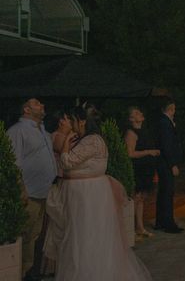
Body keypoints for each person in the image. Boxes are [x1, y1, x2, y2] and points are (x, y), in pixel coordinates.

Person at [44, 107, 152, 281]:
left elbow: (67, 161)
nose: (70, 124)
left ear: (82, 121)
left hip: (89, 194)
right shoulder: (85, 139)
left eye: (72, 120)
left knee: (88, 234)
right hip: (82, 193)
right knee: (79, 235)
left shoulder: (93, 141)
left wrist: (65, 145)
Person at [7, 98, 57, 279]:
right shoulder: (18, 131)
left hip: (44, 192)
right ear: (26, 109)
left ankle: (31, 270)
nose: (42, 105)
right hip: (29, 193)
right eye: (36, 103)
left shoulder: (42, 130)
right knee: (25, 234)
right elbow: (13, 162)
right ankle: (21, 272)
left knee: (35, 235)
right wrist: (21, 190)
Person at [124, 106, 160, 237]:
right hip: (137, 169)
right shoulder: (131, 133)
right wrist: (148, 152)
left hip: (146, 169)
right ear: (131, 119)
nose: (140, 113)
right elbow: (130, 153)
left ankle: (140, 227)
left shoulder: (144, 131)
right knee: (135, 198)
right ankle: (129, 229)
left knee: (141, 199)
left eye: (140, 112)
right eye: (136, 113)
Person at [155, 97, 184, 233]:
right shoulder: (164, 123)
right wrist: (173, 164)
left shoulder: (165, 122)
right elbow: (167, 145)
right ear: (170, 108)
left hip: (165, 162)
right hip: (166, 164)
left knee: (164, 192)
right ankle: (168, 222)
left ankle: (161, 221)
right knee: (167, 192)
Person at [50, 109, 73, 178]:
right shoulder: (58, 136)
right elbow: (68, 155)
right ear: (61, 121)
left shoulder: (62, 135)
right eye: (68, 118)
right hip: (60, 176)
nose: (71, 121)